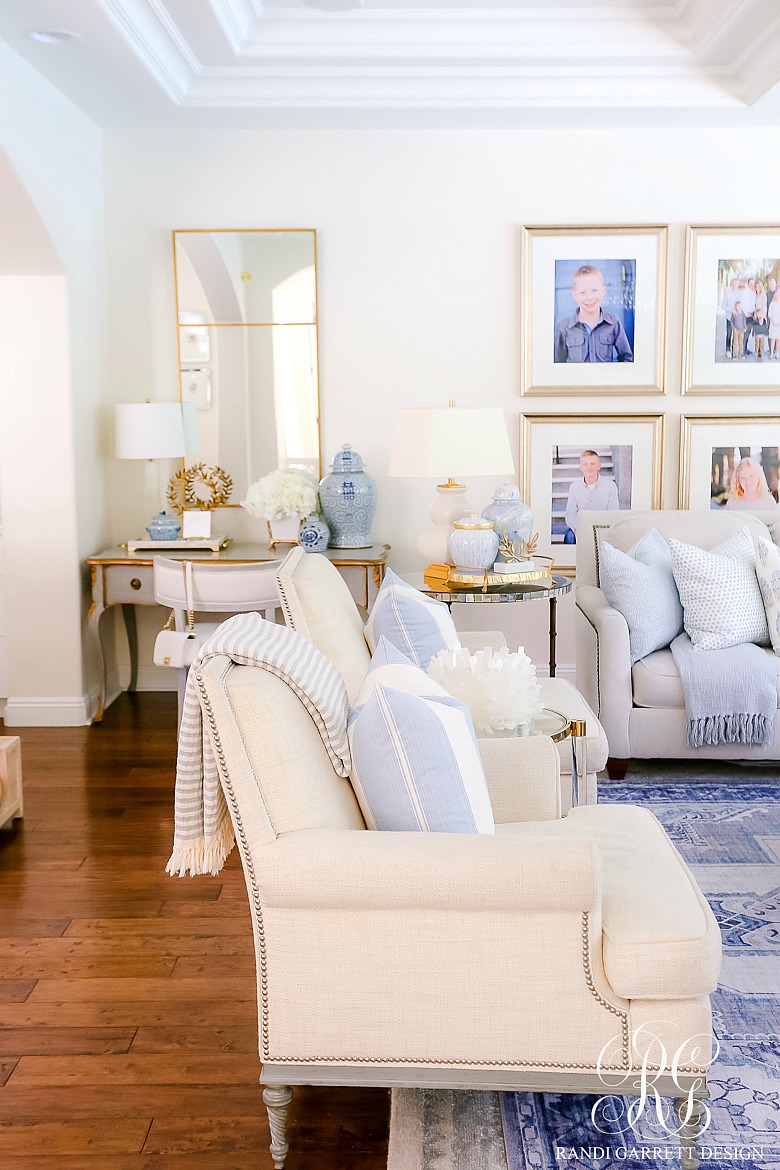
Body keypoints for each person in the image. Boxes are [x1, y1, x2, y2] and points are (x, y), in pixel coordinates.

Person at [554, 265, 633, 363]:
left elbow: (627, 358)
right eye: (583, 292)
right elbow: (557, 362)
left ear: (603, 291)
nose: (589, 297)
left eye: (594, 290)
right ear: (574, 296)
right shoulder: (564, 327)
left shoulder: (614, 323)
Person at [563, 450, 620, 543]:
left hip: (602, 528)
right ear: (581, 467)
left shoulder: (610, 486)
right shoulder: (574, 487)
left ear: (598, 466)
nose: (589, 467)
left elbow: (614, 513)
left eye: (592, 464)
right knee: (569, 536)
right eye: (585, 464)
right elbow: (570, 514)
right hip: (581, 527)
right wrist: (577, 529)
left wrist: (602, 530)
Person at [721, 277, 742, 357]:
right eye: (733, 284)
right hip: (729, 317)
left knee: (736, 334)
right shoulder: (728, 293)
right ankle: (728, 350)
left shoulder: (740, 293)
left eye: (736, 284)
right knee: (729, 333)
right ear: (731, 284)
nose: (735, 285)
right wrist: (731, 310)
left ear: (738, 284)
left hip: (738, 317)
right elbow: (723, 306)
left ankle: (735, 351)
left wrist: (738, 311)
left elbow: (741, 304)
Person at [769, 289, 780, 358]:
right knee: (773, 338)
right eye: (777, 295)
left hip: (779, 324)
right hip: (773, 323)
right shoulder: (772, 303)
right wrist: (773, 322)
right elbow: (769, 314)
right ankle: (771, 353)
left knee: (778, 339)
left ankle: (777, 353)